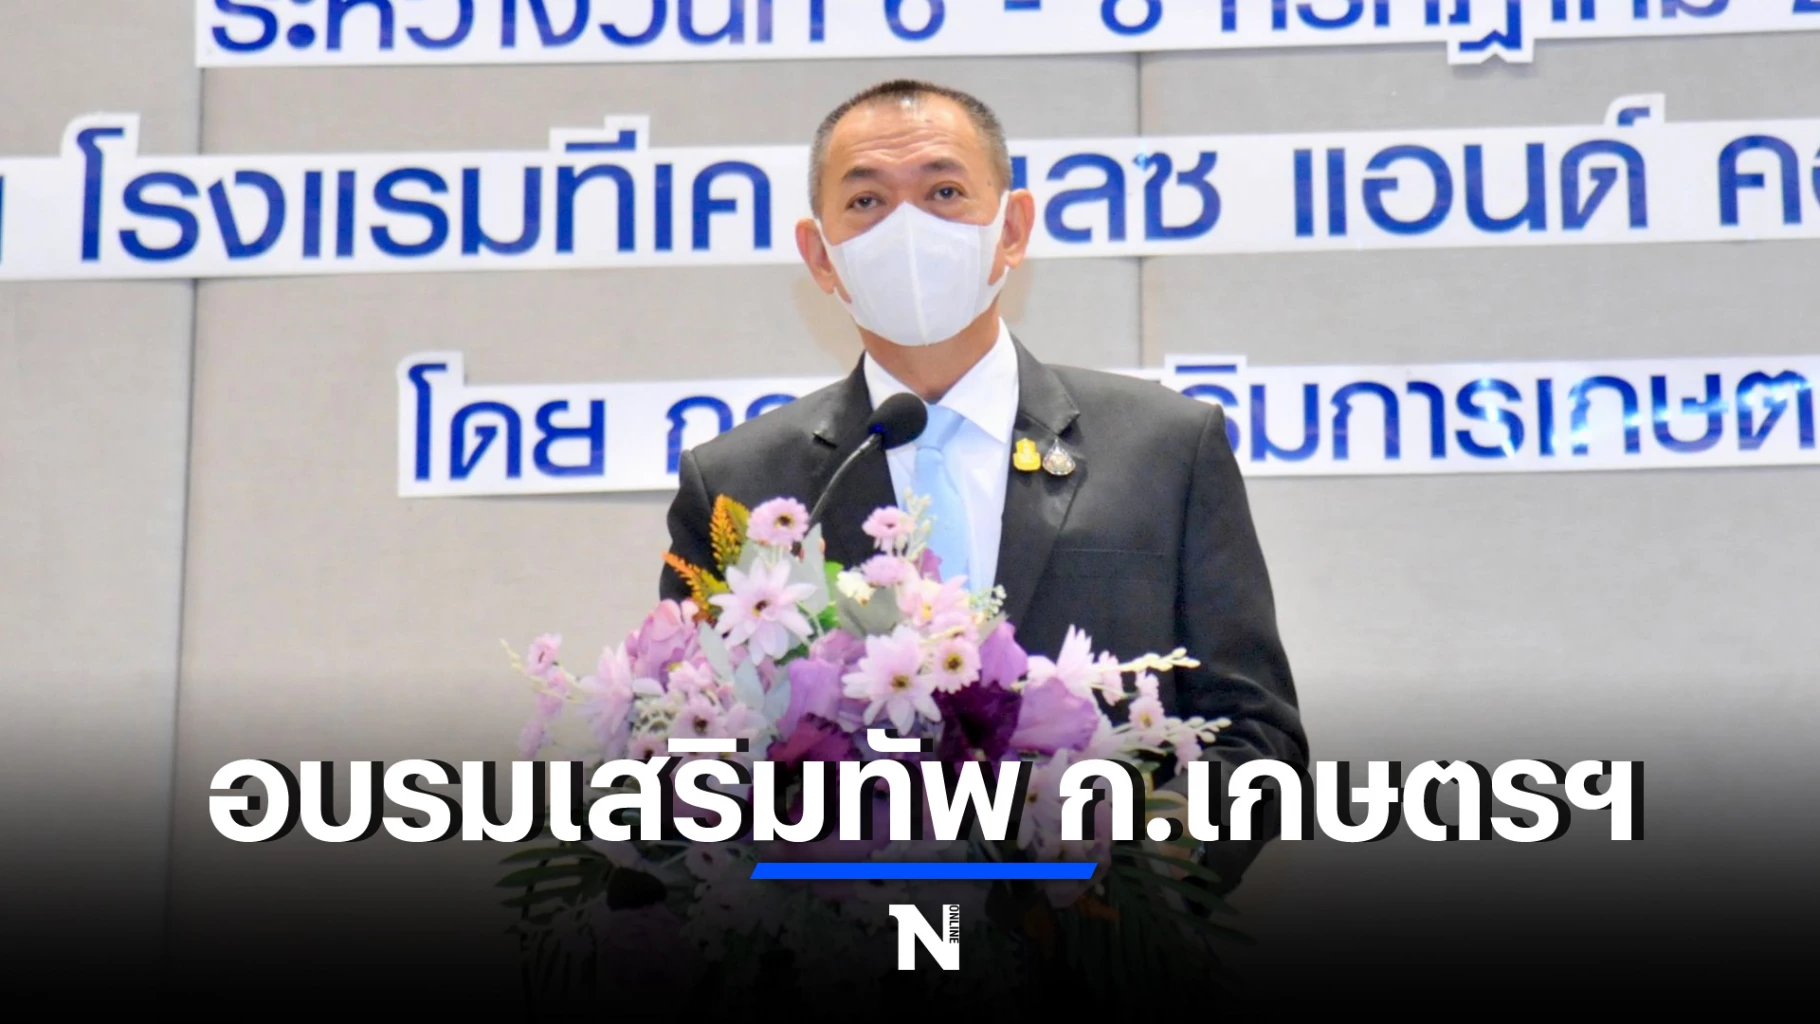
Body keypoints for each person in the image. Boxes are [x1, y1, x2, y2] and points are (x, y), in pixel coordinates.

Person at [659, 79, 1307, 898]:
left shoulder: (1166, 448)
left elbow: (1254, 736)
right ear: (821, 255)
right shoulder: (740, 487)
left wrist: (1132, 879)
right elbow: (690, 762)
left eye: (944, 192)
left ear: (1012, 229)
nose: (908, 228)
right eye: (866, 201)